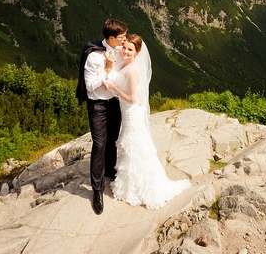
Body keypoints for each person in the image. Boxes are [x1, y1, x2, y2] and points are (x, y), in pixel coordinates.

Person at [102, 34, 191, 209]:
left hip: (132, 112)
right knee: (131, 146)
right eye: (125, 48)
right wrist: (111, 55)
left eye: (130, 50)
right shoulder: (127, 62)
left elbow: (133, 98)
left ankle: (139, 188)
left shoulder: (133, 70)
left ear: (137, 53)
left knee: (134, 146)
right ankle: (131, 185)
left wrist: (114, 88)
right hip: (127, 112)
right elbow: (115, 48)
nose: (125, 52)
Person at [76, 18, 128, 215]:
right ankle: (97, 190)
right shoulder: (94, 56)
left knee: (113, 140)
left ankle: (110, 172)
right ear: (111, 38)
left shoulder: (121, 50)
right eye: (121, 37)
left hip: (114, 102)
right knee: (99, 144)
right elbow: (89, 86)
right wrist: (106, 69)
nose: (125, 40)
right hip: (97, 104)